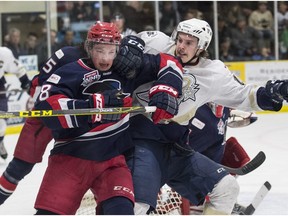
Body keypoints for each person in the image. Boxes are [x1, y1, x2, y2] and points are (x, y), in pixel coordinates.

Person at [127, 18, 288, 215]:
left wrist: (276, 91)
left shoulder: (213, 73)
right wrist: (130, 45)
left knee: (227, 188)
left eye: (189, 43)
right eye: (180, 40)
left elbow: (246, 95)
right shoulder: (157, 44)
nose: (181, 47)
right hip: (143, 143)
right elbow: (120, 44)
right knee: (137, 207)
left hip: (176, 148)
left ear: (201, 46)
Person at [32, 21, 183, 215]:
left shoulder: (126, 69)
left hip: (112, 161)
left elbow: (170, 62)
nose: (105, 58)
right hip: (70, 158)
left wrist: (166, 89)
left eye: (111, 51)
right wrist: (93, 107)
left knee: (122, 211)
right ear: (88, 47)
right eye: (100, 51)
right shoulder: (69, 72)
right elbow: (46, 109)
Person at [0, 45, 86, 205]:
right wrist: (38, 100)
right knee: (20, 166)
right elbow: (41, 79)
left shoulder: (108, 59)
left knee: (92, 163)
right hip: (46, 110)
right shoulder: (68, 55)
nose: (104, 55)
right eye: (98, 47)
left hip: (79, 116)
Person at [0, 47, 31, 160]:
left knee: (1, 123)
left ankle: (0, 142)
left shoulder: (4, 53)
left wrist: (25, 82)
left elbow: (18, 68)